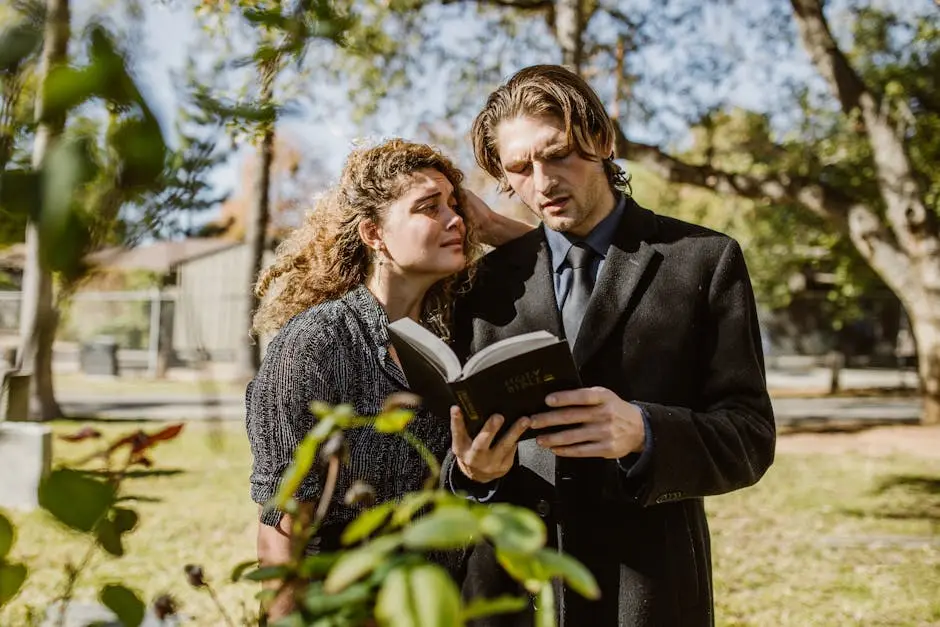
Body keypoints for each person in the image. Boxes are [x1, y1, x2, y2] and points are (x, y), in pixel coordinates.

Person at [443, 64, 776, 626]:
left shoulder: (704, 258)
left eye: (557, 154)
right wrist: (473, 473)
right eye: (520, 168)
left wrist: (644, 431)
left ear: (602, 140)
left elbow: (749, 437)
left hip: (647, 591)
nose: (542, 182)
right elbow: (457, 444)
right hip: (512, 593)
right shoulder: (483, 284)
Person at [245, 138, 492, 621]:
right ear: (374, 234)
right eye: (428, 208)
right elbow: (282, 526)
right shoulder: (315, 343)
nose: (454, 219)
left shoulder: (460, 341)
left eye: (455, 206)